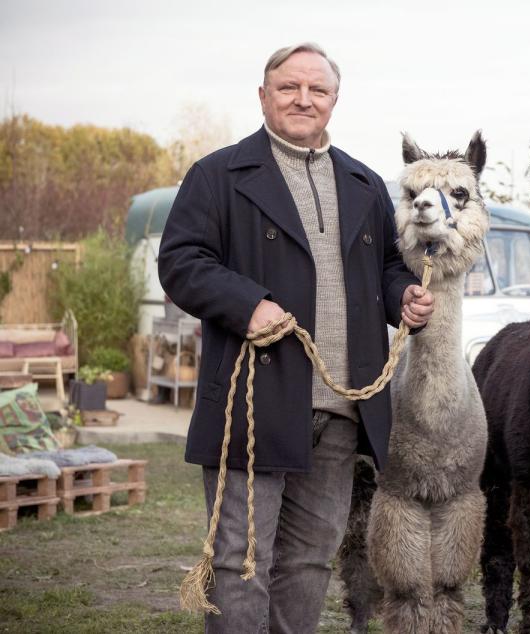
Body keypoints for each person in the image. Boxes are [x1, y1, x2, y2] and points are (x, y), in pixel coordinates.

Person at [158, 42, 434, 633]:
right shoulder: (218, 175)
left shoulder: (362, 183)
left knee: (309, 561)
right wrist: (247, 303)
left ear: (335, 100)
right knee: (240, 562)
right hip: (253, 401)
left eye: (317, 90)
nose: (303, 99)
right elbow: (181, 261)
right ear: (263, 95)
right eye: (289, 87)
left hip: (341, 407)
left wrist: (402, 296)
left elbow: (386, 265)